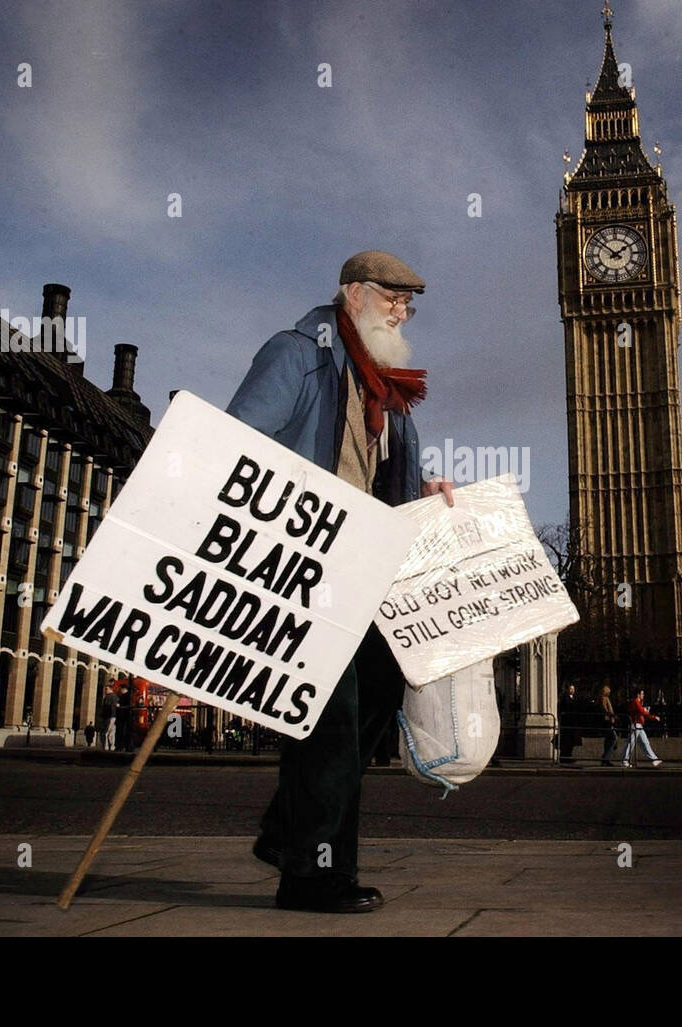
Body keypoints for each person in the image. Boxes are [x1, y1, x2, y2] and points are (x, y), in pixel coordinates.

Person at [227, 250, 453, 914]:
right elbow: (240, 439)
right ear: (352, 294)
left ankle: (289, 833)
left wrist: (428, 492)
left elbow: (393, 482)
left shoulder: (392, 390)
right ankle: (313, 874)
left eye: (409, 303)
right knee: (331, 720)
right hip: (305, 569)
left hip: (372, 575)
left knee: (369, 711)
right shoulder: (298, 355)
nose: (403, 311)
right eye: (392, 297)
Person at [622, 689, 663, 767]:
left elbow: (641, 711)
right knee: (631, 743)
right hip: (636, 725)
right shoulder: (636, 702)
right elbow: (642, 712)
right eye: (642, 694)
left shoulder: (637, 702)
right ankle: (625, 761)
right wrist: (654, 717)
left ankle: (654, 759)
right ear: (638, 695)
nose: (643, 695)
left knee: (645, 742)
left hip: (639, 725)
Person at [559, 684, 581, 764]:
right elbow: (564, 708)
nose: (572, 690)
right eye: (571, 689)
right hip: (567, 722)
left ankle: (568, 756)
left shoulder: (574, 698)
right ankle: (564, 757)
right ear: (568, 690)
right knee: (566, 741)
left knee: (571, 741)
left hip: (572, 722)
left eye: (573, 689)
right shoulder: (565, 698)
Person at [599, 684, 619, 766]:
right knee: (613, 739)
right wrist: (612, 716)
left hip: (608, 720)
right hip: (608, 721)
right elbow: (605, 709)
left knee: (608, 740)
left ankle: (605, 759)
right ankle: (606, 758)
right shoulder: (604, 698)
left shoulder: (605, 698)